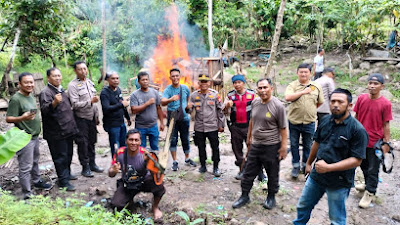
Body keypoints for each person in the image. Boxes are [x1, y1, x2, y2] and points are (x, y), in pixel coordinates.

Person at [293, 88, 368, 225]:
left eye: (340, 102)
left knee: (336, 218)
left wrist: (329, 168)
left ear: (350, 105)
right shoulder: (325, 121)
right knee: (303, 206)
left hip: (339, 182)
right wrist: (309, 163)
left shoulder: (357, 130)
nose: (335, 104)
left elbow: (357, 160)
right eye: (333, 101)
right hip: (316, 177)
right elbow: (316, 142)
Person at [232, 78, 288, 210]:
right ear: (256, 90)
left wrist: (283, 147)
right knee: (248, 172)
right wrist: (249, 137)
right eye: (260, 88)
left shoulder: (278, 106)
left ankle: (271, 197)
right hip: (256, 144)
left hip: (271, 145)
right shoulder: (256, 102)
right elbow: (252, 120)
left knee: (272, 172)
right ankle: (244, 196)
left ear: (271, 88)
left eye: (265, 87)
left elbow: (283, 128)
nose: (263, 91)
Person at [6, 72, 51, 199]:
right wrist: (22, 117)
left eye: (31, 82)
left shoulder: (30, 95)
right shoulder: (16, 99)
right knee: (25, 167)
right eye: (26, 82)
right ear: (19, 84)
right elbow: (8, 119)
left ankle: (37, 182)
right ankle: (27, 194)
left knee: (35, 161)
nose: (30, 85)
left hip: (34, 136)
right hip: (24, 138)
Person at [353, 73, 393, 208]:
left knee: (373, 168)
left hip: (375, 141)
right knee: (362, 164)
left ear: (382, 86)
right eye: (370, 83)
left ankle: (370, 192)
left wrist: (386, 143)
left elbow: (386, 124)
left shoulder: (385, 104)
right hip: (360, 139)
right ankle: (367, 184)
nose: (372, 86)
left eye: (375, 84)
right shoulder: (361, 99)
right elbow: (356, 117)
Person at [108, 129, 165, 220]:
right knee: (116, 204)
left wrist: (152, 165)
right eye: (131, 140)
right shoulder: (120, 152)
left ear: (140, 142)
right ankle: (130, 201)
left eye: (136, 140)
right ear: (126, 141)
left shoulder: (145, 154)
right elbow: (110, 173)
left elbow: (156, 173)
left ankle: (155, 208)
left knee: (159, 187)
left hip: (143, 181)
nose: (133, 143)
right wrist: (114, 170)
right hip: (128, 183)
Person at [39, 68, 79, 191]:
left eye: (59, 75)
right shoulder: (46, 92)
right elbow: (45, 110)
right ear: (48, 78)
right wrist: (54, 103)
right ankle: (63, 181)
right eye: (54, 76)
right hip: (56, 132)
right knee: (60, 157)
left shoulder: (61, 89)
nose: (57, 78)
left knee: (68, 154)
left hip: (68, 130)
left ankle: (67, 174)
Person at [285, 63, 324, 178]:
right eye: (301, 72)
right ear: (297, 73)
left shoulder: (316, 86)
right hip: (294, 121)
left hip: (310, 122)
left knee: (308, 145)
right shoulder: (292, 86)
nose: (303, 74)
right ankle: (295, 167)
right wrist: (303, 92)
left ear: (310, 73)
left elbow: (320, 102)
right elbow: (287, 98)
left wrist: (310, 109)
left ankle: (305, 166)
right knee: (294, 144)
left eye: (306, 72)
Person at [224, 74, 265, 181]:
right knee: (237, 150)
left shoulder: (252, 94)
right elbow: (224, 110)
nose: (237, 85)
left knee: (254, 149)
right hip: (236, 127)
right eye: (235, 83)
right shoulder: (230, 96)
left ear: (243, 83)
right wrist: (227, 106)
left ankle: (260, 172)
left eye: (239, 82)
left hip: (250, 126)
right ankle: (242, 170)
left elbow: (261, 106)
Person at [68, 61, 104, 177]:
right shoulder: (72, 85)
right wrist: (90, 102)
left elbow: (95, 105)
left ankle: (93, 164)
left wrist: (97, 117)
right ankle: (85, 167)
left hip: (91, 118)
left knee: (92, 142)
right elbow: (74, 104)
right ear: (75, 71)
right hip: (80, 119)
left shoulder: (89, 83)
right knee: (82, 143)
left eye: (85, 68)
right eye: (80, 69)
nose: (83, 71)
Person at [188, 74, 225, 177]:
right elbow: (189, 110)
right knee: (201, 147)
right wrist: (188, 108)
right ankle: (203, 166)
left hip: (212, 126)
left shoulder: (215, 94)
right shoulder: (194, 95)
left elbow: (220, 110)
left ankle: (216, 167)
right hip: (199, 127)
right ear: (199, 83)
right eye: (202, 82)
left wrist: (221, 125)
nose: (204, 84)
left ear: (209, 83)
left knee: (215, 148)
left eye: (206, 81)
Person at [161, 68, 196, 171]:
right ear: (170, 77)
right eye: (173, 76)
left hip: (184, 118)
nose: (175, 78)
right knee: (173, 140)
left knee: (185, 138)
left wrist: (189, 109)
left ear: (180, 76)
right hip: (172, 119)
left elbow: (187, 101)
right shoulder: (168, 90)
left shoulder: (185, 88)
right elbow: (162, 102)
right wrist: (170, 99)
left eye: (177, 75)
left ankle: (187, 158)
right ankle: (175, 161)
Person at [130, 72, 164, 151]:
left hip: (153, 126)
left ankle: (154, 163)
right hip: (141, 127)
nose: (145, 81)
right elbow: (133, 110)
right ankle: (141, 163)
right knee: (141, 149)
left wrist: (162, 122)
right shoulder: (135, 95)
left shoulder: (155, 93)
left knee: (155, 148)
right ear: (138, 82)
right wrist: (147, 104)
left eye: (146, 79)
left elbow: (159, 108)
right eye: (143, 80)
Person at [100, 72, 131, 157]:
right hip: (112, 125)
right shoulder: (104, 93)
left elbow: (122, 104)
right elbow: (106, 108)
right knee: (115, 146)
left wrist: (127, 117)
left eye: (117, 78)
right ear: (108, 80)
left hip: (121, 123)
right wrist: (121, 105)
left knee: (123, 145)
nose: (116, 80)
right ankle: (115, 165)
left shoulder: (118, 90)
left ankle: (123, 163)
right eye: (113, 78)